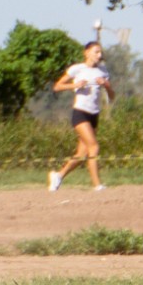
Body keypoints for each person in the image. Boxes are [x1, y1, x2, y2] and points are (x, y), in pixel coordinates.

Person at [48, 40, 112, 192]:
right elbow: (57, 86)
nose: (99, 55)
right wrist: (75, 85)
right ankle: (97, 185)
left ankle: (58, 175)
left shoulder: (103, 71)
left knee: (82, 154)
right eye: (96, 52)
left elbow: (112, 96)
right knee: (94, 146)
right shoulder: (77, 69)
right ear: (87, 52)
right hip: (80, 112)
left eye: (100, 52)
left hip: (94, 114)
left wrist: (106, 85)